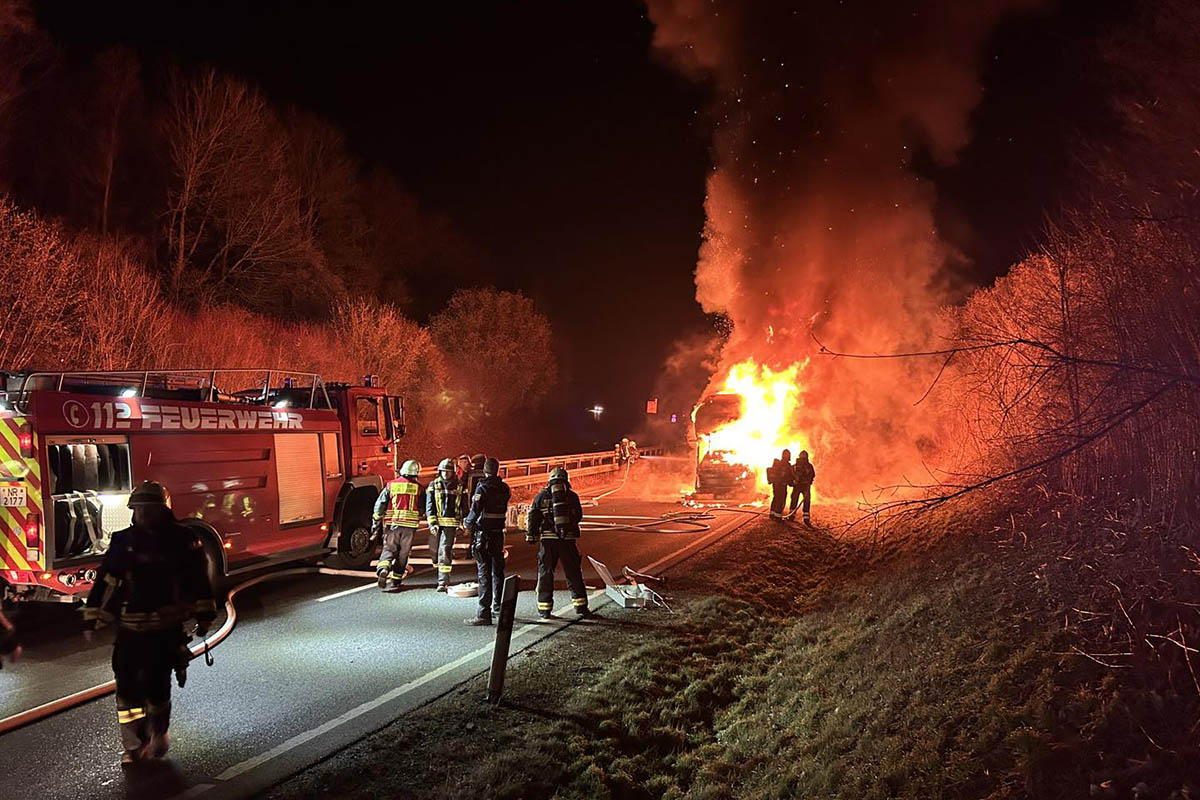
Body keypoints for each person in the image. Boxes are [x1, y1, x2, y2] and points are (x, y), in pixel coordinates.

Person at [82, 480, 216, 764]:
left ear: (163, 510)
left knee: (158, 689)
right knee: (127, 693)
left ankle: (159, 732)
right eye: (139, 508)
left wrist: (204, 616)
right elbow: (106, 580)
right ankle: (133, 746)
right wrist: (92, 617)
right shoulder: (123, 541)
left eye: (150, 508)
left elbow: (198, 579)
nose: (143, 514)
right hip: (130, 632)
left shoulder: (183, 540)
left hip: (165, 632)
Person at [526, 466, 589, 620]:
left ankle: (544, 609)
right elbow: (578, 516)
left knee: (546, 573)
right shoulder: (572, 496)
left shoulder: (541, 496)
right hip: (567, 540)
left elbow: (533, 516)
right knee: (573, 572)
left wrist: (532, 535)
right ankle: (580, 606)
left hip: (548, 541)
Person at [463, 457, 510, 626]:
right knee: (498, 572)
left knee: (484, 574)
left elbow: (475, 511)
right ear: (498, 470)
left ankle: (484, 613)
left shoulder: (482, 488)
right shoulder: (504, 488)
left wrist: (467, 524)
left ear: (484, 470)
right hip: (498, 535)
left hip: (483, 536)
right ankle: (498, 607)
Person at [372, 459, 424, 592]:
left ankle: (383, 569)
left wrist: (376, 521)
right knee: (403, 554)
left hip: (393, 525)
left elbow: (380, 505)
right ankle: (396, 581)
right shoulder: (419, 488)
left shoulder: (391, 485)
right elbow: (422, 508)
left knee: (389, 549)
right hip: (409, 528)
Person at [426, 458, 463, 592]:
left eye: (448, 472)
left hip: (450, 524)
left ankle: (443, 581)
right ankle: (438, 572)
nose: (446, 474)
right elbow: (429, 505)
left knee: (444, 550)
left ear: (453, 472)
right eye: (443, 471)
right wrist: (432, 523)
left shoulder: (459, 485)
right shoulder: (433, 485)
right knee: (434, 550)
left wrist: (462, 522)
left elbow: (464, 505)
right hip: (436, 524)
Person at [787, 450, 816, 526]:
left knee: (799, 500)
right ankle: (801, 517)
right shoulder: (800, 465)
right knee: (800, 500)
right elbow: (812, 474)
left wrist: (808, 481)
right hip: (801, 486)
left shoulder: (803, 465)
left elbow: (812, 475)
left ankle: (795, 516)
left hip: (803, 486)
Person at [767, 449, 793, 520]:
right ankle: (778, 516)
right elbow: (789, 475)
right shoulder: (787, 465)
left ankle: (772, 514)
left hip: (775, 484)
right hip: (782, 485)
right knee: (781, 499)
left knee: (776, 498)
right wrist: (792, 482)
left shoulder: (778, 464)